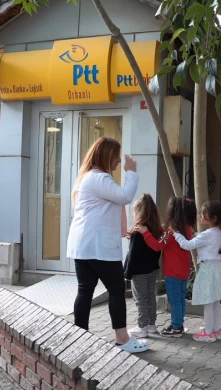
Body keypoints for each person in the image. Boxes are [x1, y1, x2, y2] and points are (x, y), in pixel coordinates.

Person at [66, 136, 148, 353]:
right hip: (98, 247)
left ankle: (79, 337)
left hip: (84, 246)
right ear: (106, 156)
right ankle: (122, 339)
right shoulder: (99, 178)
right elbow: (125, 196)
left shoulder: (88, 177)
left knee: (85, 291)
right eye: (116, 157)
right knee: (116, 290)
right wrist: (131, 171)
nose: (119, 161)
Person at [171, 201, 221, 343]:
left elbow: (186, 245)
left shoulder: (207, 235)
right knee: (216, 303)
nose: (200, 216)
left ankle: (208, 333)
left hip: (208, 271)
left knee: (208, 303)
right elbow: (203, 240)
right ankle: (217, 330)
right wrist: (195, 233)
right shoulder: (218, 232)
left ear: (214, 218)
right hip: (217, 268)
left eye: (203, 214)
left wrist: (176, 233)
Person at [138, 197, 197, 338]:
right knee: (181, 299)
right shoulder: (188, 229)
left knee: (174, 300)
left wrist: (145, 233)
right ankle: (179, 324)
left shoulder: (171, 231)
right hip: (183, 271)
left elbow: (157, 245)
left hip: (173, 272)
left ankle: (176, 327)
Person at [124, 193, 162, 338]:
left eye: (134, 212)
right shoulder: (156, 228)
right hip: (152, 269)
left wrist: (127, 272)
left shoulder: (139, 231)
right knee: (150, 296)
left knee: (140, 298)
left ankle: (141, 327)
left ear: (139, 212)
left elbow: (133, 255)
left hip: (139, 271)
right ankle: (151, 324)